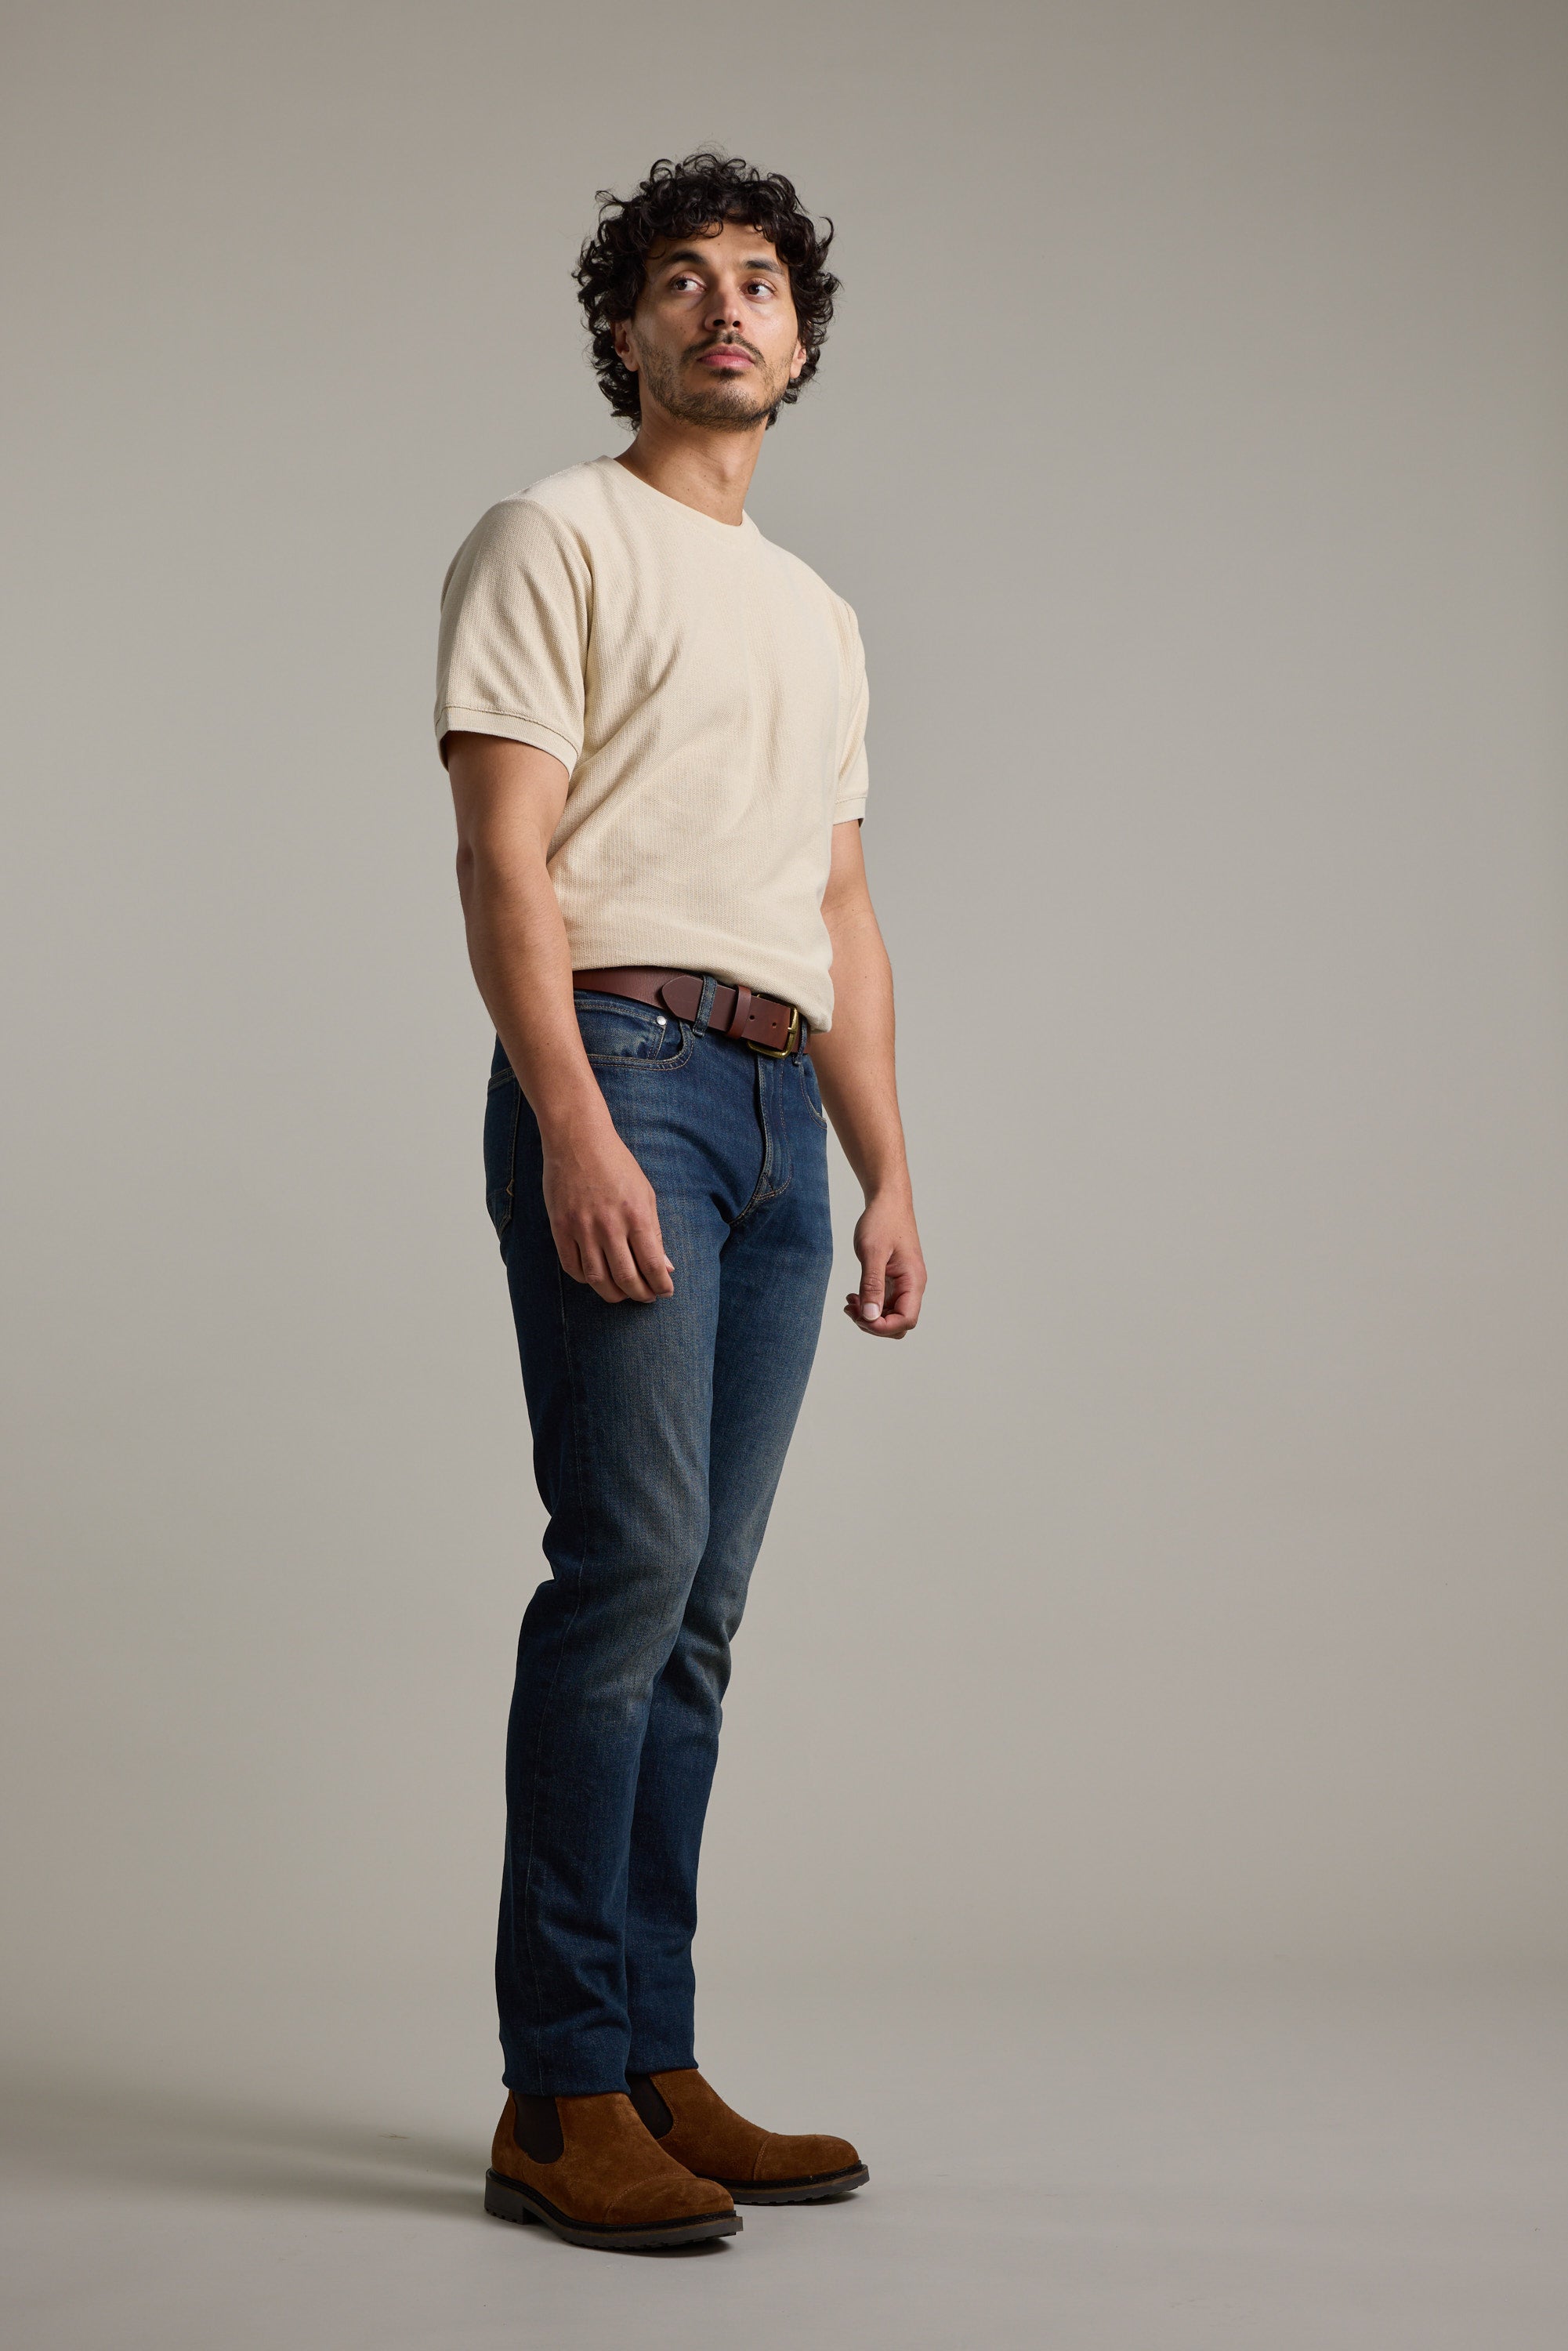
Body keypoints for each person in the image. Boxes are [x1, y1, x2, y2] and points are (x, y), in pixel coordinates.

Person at [434, 150, 926, 2252]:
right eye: (679, 284)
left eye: (759, 286)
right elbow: (503, 856)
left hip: (775, 1121)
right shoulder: (555, 531)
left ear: (798, 340)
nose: (726, 312)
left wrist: (889, 1165)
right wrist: (566, 1117)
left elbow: (836, 902)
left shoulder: (817, 615)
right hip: (624, 1069)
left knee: (700, 1619)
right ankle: (557, 2094)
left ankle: (650, 2053)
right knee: (624, 1574)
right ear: (622, 329)